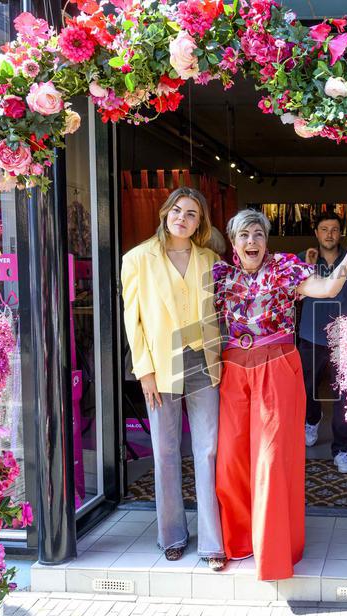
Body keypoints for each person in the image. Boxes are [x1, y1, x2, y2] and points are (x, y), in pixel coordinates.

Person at [213, 209, 347, 581]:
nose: (252, 241)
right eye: (243, 235)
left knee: (271, 461)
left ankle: (273, 552)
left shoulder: (284, 268)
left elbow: (328, 288)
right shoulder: (220, 273)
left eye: (258, 233)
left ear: (266, 238)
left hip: (277, 364)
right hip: (233, 369)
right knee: (231, 460)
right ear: (232, 240)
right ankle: (239, 541)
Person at [120, 187, 227, 570]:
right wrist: (143, 371)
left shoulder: (211, 259)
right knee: (165, 452)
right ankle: (172, 535)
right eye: (177, 210)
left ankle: (212, 541)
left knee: (208, 450)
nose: (183, 218)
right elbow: (133, 322)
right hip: (162, 364)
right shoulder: (136, 260)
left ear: (200, 222)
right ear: (165, 213)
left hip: (202, 359)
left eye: (192, 213)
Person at [299, 213, 347, 474]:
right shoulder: (304, 259)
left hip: (345, 340)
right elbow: (290, 296)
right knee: (307, 389)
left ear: (341, 233)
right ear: (316, 232)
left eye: (335, 229)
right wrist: (306, 264)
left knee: (343, 398)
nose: (329, 234)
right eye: (324, 229)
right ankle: (312, 421)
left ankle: (341, 450)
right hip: (310, 336)